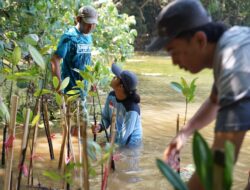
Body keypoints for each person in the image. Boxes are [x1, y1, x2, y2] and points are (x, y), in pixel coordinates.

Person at [147, 0, 250, 189]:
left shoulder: (233, 65)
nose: (173, 62)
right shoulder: (231, 45)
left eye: (173, 51)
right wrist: (184, 134)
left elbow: (221, 161)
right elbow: (215, 102)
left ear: (200, 40)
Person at [51, 5, 98, 97]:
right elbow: (55, 60)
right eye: (88, 23)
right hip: (70, 91)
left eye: (94, 24)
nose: (91, 27)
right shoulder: (69, 37)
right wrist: (59, 86)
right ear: (79, 19)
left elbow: (86, 60)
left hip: (83, 90)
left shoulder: (88, 36)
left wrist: (91, 81)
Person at [92, 63, 143, 148]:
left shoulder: (132, 109)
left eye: (116, 77)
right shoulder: (112, 96)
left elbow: (124, 137)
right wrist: (100, 127)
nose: (113, 78)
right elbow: (106, 118)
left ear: (121, 86)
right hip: (115, 135)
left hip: (130, 143)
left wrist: (108, 146)